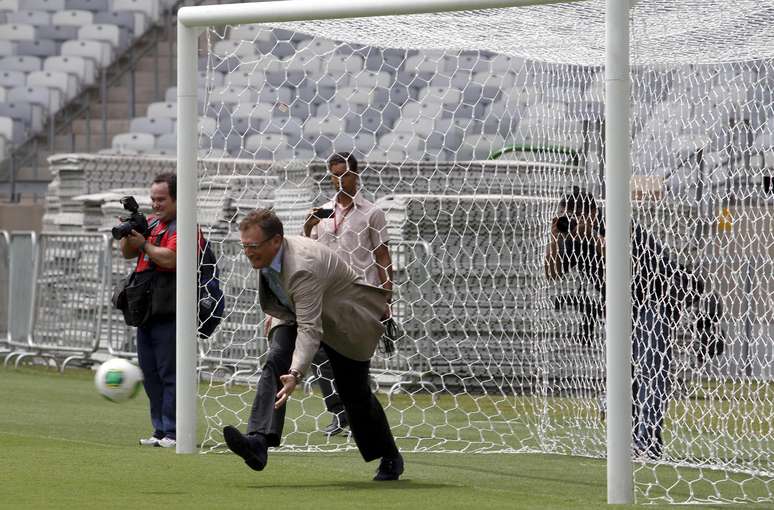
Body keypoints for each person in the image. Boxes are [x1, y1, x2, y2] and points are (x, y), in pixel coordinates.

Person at [222, 208, 404, 481]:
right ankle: (258, 442)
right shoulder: (269, 254)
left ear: (276, 241)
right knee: (275, 359)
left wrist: (295, 374)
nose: (248, 252)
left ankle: (390, 456)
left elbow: (310, 328)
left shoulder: (302, 268)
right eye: (244, 245)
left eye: (253, 246)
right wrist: (275, 319)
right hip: (300, 315)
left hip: (345, 325)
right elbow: (287, 299)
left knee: (354, 394)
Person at [544, 187, 723, 460]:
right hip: (623, 306)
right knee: (623, 371)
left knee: (651, 366)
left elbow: (627, 265)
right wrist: (555, 238)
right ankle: (628, 434)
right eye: (568, 216)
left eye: (578, 215)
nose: (574, 221)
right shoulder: (570, 239)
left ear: (593, 214)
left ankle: (647, 443)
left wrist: (596, 241)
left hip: (660, 294)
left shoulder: (617, 223)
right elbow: (552, 273)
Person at [301, 152, 393, 436]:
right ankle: (340, 412)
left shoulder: (372, 212)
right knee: (318, 354)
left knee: (355, 360)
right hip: (327, 294)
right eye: (334, 175)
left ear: (356, 176)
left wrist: (386, 296)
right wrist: (308, 227)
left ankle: (359, 417)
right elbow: (308, 251)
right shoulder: (321, 211)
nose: (339, 180)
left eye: (344, 174)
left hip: (359, 294)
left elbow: (382, 254)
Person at [119, 172, 178, 448]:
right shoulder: (152, 223)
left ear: (177, 198)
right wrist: (130, 232)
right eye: (153, 199)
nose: (156, 205)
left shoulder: (184, 226)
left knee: (170, 372)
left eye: (162, 199)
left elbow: (171, 259)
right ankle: (160, 429)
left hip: (170, 308)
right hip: (147, 309)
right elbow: (127, 253)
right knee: (150, 372)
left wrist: (144, 242)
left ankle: (175, 431)